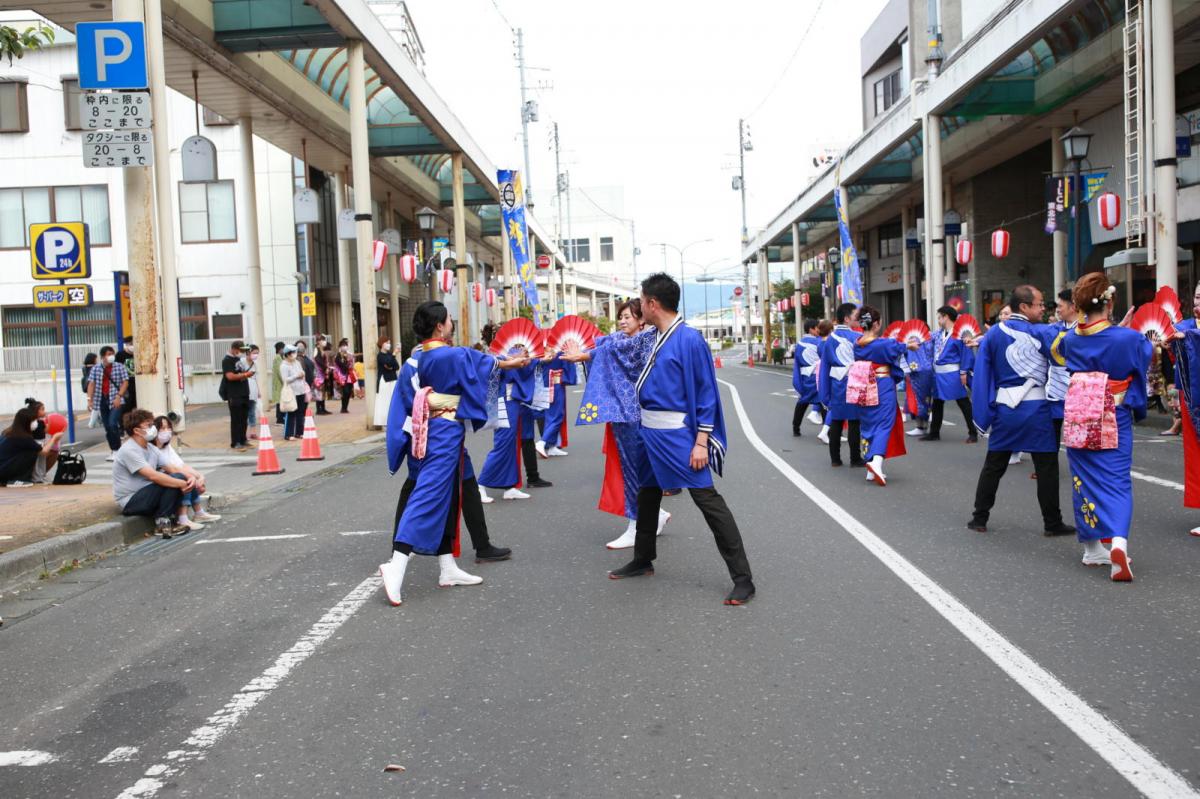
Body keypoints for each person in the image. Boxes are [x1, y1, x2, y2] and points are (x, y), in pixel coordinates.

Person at [604, 273, 755, 606]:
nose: (639, 305)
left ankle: (743, 578)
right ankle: (644, 560)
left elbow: (706, 393)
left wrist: (701, 441)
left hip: (677, 435)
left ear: (653, 304)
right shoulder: (656, 336)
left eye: (642, 300)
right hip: (649, 430)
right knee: (647, 495)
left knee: (708, 501)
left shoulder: (688, 339)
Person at [378, 302, 530, 606]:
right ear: (439, 326)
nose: (451, 323)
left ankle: (447, 567)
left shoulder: (425, 355)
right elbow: (480, 365)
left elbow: (478, 363)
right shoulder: (450, 354)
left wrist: (504, 363)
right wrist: (509, 364)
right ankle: (396, 563)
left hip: (431, 430)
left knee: (449, 495)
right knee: (428, 496)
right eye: (448, 320)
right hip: (444, 433)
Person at [1054, 273, 1151, 580]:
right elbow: (1142, 359)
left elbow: (1065, 353)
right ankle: (1118, 543)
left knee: (1083, 480)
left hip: (1081, 417)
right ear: (1109, 302)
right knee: (1118, 481)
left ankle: (1093, 548)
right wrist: (1121, 331)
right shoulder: (1130, 338)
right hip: (1114, 415)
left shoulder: (1070, 339)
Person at [384, 335, 513, 566]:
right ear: (438, 326)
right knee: (424, 489)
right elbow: (474, 365)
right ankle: (400, 551)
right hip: (429, 433)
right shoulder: (424, 361)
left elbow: (475, 363)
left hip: (444, 432)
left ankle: (467, 550)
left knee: (463, 485)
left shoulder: (433, 358)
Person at [564, 298, 672, 549]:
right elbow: (603, 344)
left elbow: (609, 350)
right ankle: (655, 515)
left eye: (628, 317)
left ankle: (637, 524)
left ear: (641, 319)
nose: (623, 321)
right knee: (629, 468)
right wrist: (567, 352)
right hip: (622, 413)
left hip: (635, 413)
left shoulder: (645, 340)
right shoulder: (619, 339)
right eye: (621, 317)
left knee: (634, 470)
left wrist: (583, 353)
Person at [967, 286, 1074, 536]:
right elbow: (1072, 346)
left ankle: (979, 518)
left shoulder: (993, 334)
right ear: (1024, 307)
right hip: (1037, 409)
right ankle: (1052, 523)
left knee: (994, 465)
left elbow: (982, 376)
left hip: (1006, 409)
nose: (1043, 308)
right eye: (1039, 304)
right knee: (1046, 467)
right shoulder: (1045, 332)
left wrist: (984, 413)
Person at [850, 306, 913, 486]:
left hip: (863, 385)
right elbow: (899, 347)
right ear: (876, 324)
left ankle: (871, 467)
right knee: (885, 422)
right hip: (881, 384)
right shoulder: (883, 343)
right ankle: (876, 461)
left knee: (868, 422)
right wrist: (911, 344)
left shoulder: (858, 344)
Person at [111, 409, 195, 539]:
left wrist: (191, 478)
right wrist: (182, 483)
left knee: (177, 477)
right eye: (149, 426)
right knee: (172, 481)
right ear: (136, 431)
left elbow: (172, 468)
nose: (153, 429)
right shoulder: (129, 450)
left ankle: (168, 521)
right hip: (131, 501)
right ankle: (162, 524)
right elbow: (153, 476)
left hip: (148, 494)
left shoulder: (151, 448)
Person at [151, 415, 222, 529]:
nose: (167, 431)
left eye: (168, 428)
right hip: (161, 485)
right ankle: (182, 518)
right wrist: (192, 478)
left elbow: (181, 465)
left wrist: (199, 476)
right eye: (162, 428)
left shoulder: (167, 447)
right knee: (183, 478)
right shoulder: (152, 449)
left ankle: (198, 512)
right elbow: (174, 470)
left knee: (187, 477)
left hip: (170, 480)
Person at [817, 303, 865, 468]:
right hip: (855, 383)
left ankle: (835, 459)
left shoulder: (830, 340)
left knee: (836, 420)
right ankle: (855, 458)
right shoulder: (857, 338)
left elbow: (824, 368)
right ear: (847, 318)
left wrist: (824, 393)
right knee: (854, 421)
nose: (857, 318)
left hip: (837, 384)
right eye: (855, 315)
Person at [921, 306, 976, 443]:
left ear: (946, 317)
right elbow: (925, 340)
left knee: (963, 402)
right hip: (938, 373)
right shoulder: (939, 333)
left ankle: (973, 432)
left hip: (953, 373)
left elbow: (966, 354)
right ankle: (934, 432)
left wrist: (963, 372)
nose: (938, 320)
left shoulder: (960, 334)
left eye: (939, 317)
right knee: (937, 403)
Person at [86, 345, 130, 461]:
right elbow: (91, 384)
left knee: (112, 423)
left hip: (116, 399)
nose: (111, 356)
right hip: (102, 400)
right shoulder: (96, 368)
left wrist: (119, 396)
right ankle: (115, 450)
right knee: (107, 427)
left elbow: (125, 382)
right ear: (102, 357)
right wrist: (89, 400)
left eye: (112, 354)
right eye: (108, 354)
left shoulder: (119, 367)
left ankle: (117, 450)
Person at [1045, 290, 1078, 445]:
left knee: (1078, 434)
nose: (1057, 309)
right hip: (1055, 387)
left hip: (1079, 388)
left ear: (1073, 307)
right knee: (1051, 434)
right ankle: (1048, 469)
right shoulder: (1053, 328)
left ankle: (1080, 469)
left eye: (1060, 306)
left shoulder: (1087, 328)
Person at [0, 406, 63, 486]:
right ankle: (17, 479)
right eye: (33, 420)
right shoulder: (23, 437)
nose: (35, 423)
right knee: (32, 452)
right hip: (5, 472)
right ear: (26, 422)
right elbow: (44, 452)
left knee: (33, 450)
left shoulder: (8, 432)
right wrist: (54, 438)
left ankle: (33, 477)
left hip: (3, 468)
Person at [535, 352, 577, 458]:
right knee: (557, 416)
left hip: (546, 381)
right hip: (553, 383)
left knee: (552, 415)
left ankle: (551, 446)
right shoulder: (555, 349)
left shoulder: (541, 348)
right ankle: (543, 442)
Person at [220, 341, 254, 451]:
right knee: (236, 418)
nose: (241, 353)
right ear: (235, 349)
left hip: (244, 392)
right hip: (234, 394)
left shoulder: (238, 359)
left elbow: (240, 372)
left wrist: (246, 374)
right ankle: (236, 442)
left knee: (244, 418)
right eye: (240, 350)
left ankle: (243, 439)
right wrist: (245, 375)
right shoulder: (227, 360)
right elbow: (230, 376)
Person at [792, 318, 823, 437]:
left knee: (803, 402)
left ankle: (796, 427)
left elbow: (797, 362)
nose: (819, 330)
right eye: (817, 328)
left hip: (805, 377)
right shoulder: (819, 343)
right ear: (811, 329)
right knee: (823, 402)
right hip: (818, 376)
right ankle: (827, 431)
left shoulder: (799, 344)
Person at [279, 344, 310, 441]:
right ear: (287, 354)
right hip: (291, 392)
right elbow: (285, 379)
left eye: (294, 352)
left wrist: (302, 374)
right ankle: (288, 434)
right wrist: (296, 376)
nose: (294, 354)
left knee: (301, 413)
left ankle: (299, 433)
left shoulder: (297, 362)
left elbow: (302, 372)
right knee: (291, 412)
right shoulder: (284, 365)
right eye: (292, 352)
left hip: (301, 390)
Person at [375, 334, 400, 427]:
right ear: (382, 344)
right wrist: (392, 357)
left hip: (393, 379)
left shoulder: (389, 355)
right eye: (387, 343)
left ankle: (393, 421)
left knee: (393, 401)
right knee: (384, 401)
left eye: (389, 343)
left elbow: (396, 366)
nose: (389, 345)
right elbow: (388, 363)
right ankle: (384, 423)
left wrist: (390, 365)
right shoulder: (380, 356)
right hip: (384, 381)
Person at [333, 338, 357, 414]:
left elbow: (353, 363)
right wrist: (347, 363)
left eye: (346, 345)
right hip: (342, 376)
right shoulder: (338, 355)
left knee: (349, 392)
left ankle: (345, 408)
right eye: (343, 345)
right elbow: (340, 364)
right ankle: (343, 407)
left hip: (350, 375)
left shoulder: (349, 354)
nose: (345, 347)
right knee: (345, 391)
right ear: (340, 347)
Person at [245, 344, 262, 440]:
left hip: (253, 392)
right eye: (254, 353)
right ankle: (244, 433)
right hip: (244, 392)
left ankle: (253, 432)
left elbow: (256, 378)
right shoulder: (242, 362)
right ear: (248, 352)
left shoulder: (254, 364)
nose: (256, 355)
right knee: (244, 413)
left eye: (257, 353)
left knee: (252, 413)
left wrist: (258, 391)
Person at [115, 336, 136, 409]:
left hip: (138, 384)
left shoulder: (139, 353)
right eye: (131, 344)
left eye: (134, 343)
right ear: (126, 344)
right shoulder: (120, 355)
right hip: (126, 385)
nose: (133, 345)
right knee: (128, 406)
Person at [314, 340, 333, 415]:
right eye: (322, 341)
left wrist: (327, 368)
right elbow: (318, 360)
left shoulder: (323, 351)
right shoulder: (316, 350)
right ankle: (319, 410)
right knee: (319, 392)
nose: (324, 343)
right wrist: (326, 367)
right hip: (318, 375)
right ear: (318, 343)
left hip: (323, 374)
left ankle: (323, 408)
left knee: (323, 392)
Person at [270, 341, 286, 425]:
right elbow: (280, 371)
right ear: (280, 349)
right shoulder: (277, 358)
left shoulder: (281, 357)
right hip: (279, 384)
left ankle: (281, 418)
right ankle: (279, 419)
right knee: (279, 401)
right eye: (283, 348)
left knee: (281, 400)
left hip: (281, 384)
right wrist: (285, 381)